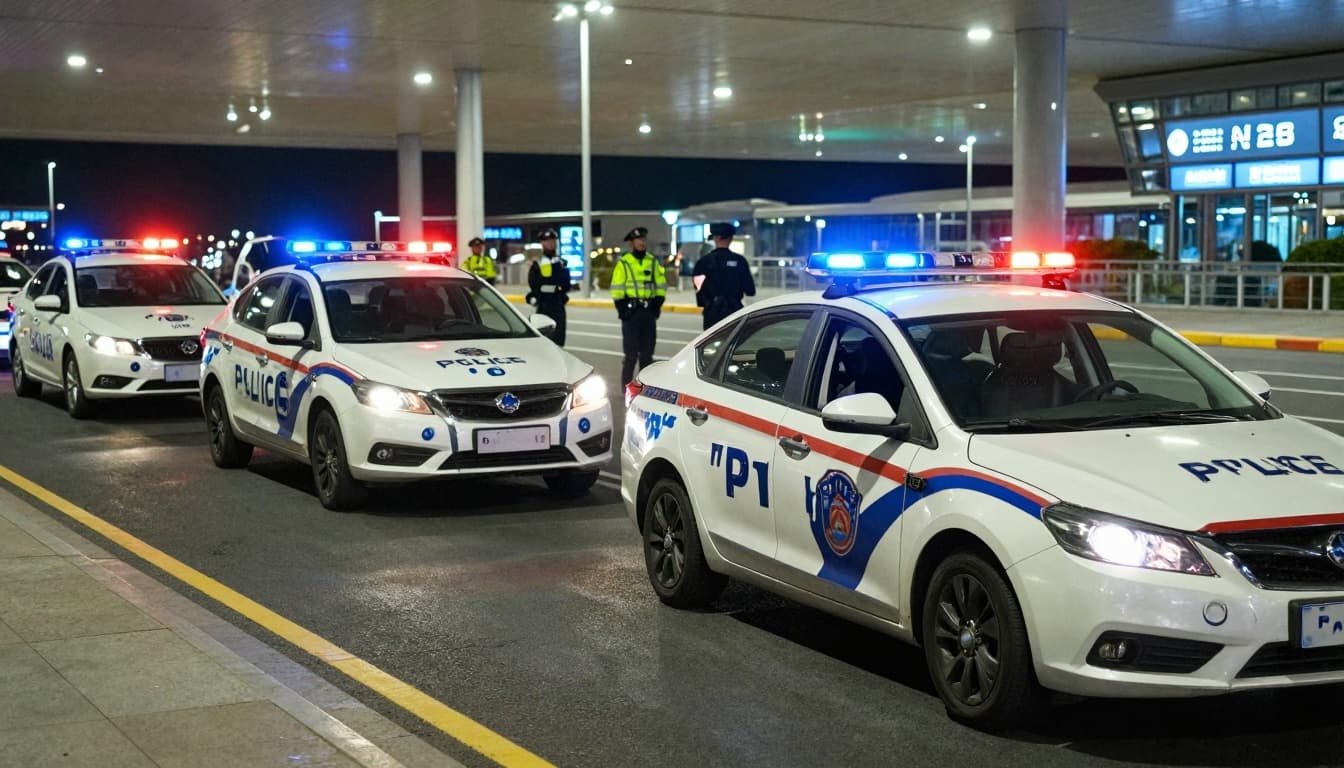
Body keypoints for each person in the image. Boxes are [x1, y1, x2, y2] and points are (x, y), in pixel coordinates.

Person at [609, 227, 667, 386]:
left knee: (647, 355)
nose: (642, 242)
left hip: (648, 313)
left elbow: (661, 285)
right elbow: (617, 288)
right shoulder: (624, 262)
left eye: (644, 239)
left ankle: (645, 388)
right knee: (631, 355)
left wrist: (657, 304)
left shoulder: (652, 261)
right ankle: (626, 387)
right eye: (638, 240)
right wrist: (622, 311)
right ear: (631, 243)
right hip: (631, 313)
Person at [693, 222, 755, 330]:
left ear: (716, 238)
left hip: (712, 312)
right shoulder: (740, 261)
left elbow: (698, 287)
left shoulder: (704, 261)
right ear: (731, 238)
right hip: (734, 311)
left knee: (711, 344)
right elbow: (750, 290)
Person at [527, 228, 570, 346]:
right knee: (545, 340)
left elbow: (566, 285)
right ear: (542, 243)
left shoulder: (562, 262)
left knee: (559, 339)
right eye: (547, 241)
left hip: (558, 304)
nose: (551, 243)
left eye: (553, 240)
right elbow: (533, 284)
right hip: (544, 305)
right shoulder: (538, 263)